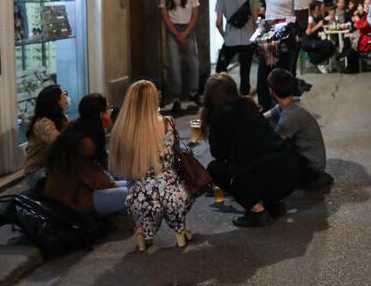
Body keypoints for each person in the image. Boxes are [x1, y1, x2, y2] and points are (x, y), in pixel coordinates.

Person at [202, 73, 300, 227]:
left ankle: (258, 211)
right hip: (291, 171)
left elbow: (219, 155)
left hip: (268, 178)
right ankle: (272, 204)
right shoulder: (247, 103)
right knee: (256, 161)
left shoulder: (218, 116)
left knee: (215, 168)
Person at [109, 80, 194, 252]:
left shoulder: (122, 129)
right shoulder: (167, 122)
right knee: (181, 191)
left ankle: (143, 232)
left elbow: (122, 169)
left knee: (143, 193)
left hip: (139, 198)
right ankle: (180, 230)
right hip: (173, 194)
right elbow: (175, 151)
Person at [43, 94, 128, 216]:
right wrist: (112, 185)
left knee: (130, 185)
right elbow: (93, 177)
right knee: (130, 194)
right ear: (100, 114)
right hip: (72, 197)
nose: (110, 112)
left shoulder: (77, 128)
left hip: (75, 189)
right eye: (107, 108)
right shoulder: (85, 143)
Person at [263, 69, 333, 188]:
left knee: (272, 154)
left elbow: (273, 146)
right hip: (308, 160)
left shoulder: (290, 116)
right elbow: (263, 117)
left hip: (312, 169)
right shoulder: (288, 104)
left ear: (271, 91)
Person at [259, 0, 310, 109]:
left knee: (280, 83)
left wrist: (288, 36)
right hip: (267, 42)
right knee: (263, 80)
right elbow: (267, 8)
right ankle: (266, 113)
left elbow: (302, 23)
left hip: (284, 45)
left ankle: (283, 116)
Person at [159, 0, 200, 116]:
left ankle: (193, 93)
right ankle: (176, 98)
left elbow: (195, 14)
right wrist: (177, 34)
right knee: (174, 65)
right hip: (172, 30)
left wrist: (186, 32)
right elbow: (165, 16)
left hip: (189, 28)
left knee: (193, 62)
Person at [215, 0, 259, 97]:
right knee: (245, 72)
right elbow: (255, 20)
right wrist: (255, 36)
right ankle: (244, 97)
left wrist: (225, 36)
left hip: (230, 39)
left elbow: (218, 22)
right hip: (247, 39)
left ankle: (224, 93)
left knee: (220, 69)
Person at [24, 85, 70, 189]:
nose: (66, 97)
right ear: (56, 101)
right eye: (64, 95)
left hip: (50, 166)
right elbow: (60, 143)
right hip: (37, 173)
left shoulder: (61, 117)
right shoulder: (43, 123)